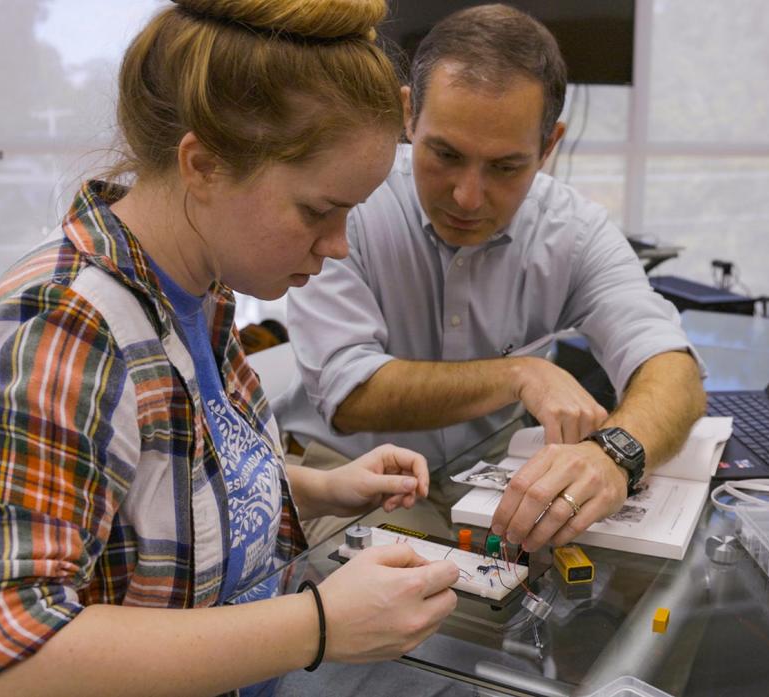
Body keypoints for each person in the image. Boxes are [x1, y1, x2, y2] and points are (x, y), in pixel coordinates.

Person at [0, 2, 460, 696]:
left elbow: (154, 483)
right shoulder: (64, 326)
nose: (338, 245)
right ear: (202, 165)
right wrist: (318, 624)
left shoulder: (198, 294)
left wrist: (323, 485)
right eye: (319, 211)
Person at [277, 4, 707, 554]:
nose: (467, 197)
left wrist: (613, 455)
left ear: (549, 145)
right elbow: (350, 391)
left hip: (490, 473)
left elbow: (671, 366)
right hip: (351, 478)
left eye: (505, 167)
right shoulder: (350, 203)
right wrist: (517, 375)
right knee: (426, 602)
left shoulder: (571, 229)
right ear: (408, 116)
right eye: (445, 154)